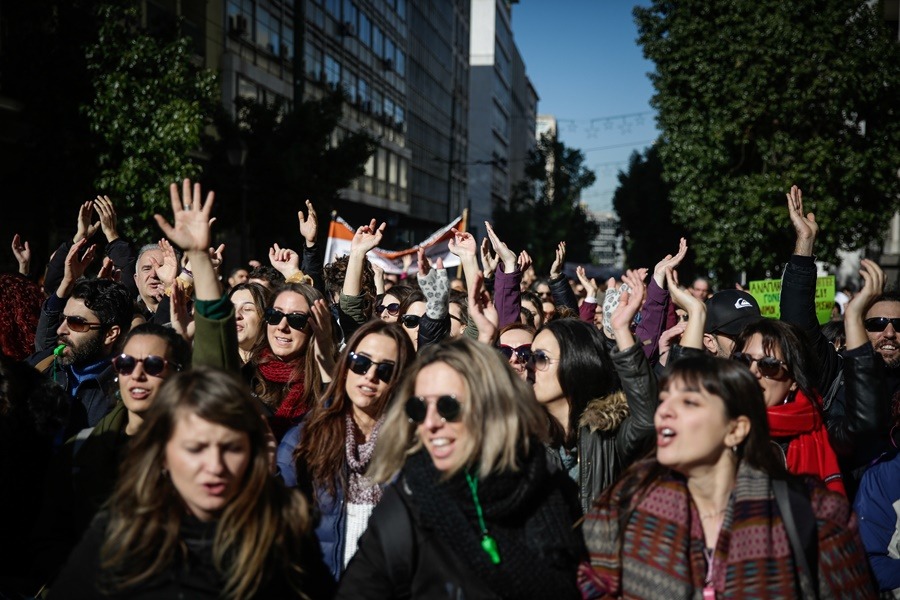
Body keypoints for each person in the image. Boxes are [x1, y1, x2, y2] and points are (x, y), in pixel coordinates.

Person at [582, 354, 875, 598]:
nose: (664, 413)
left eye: (689, 403)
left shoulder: (814, 515)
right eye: (663, 400)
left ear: (736, 429)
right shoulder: (625, 502)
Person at [51, 367, 335, 599]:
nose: (215, 467)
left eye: (232, 448)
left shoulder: (284, 528)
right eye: (195, 448)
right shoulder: (121, 530)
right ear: (163, 454)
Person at [336, 337, 586, 599]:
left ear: (492, 406)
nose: (430, 423)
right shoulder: (406, 504)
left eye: (448, 406)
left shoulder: (549, 485)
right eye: (419, 408)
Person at [30, 323, 191, 588]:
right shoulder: (80, 448)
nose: (137, 374)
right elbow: (49, 538)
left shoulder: (194, 458)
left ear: (178, 375)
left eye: (152, 365)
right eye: (126, 363)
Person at [276, 320, 415, 579]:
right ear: (344, 367)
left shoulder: (413, 446)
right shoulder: (306, 437)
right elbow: (275, 512)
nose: (370, 376)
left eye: (385, 370)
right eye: (360, 363)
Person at [531, 269, 657, 514]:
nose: (528, 365)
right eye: (529, 356)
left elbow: (648, 420)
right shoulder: (523, 435)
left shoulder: (608, 433)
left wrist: (621, 331)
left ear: (576, 363)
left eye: (540, 358)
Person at [732, 318, 845, 495]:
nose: (752, 372)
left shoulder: (821, 431)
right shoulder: (716, 424)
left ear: (793, 381)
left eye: (768, 365)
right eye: (743, 361)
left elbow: (866, 421)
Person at [28, 271, 133, 436]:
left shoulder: (126, 392)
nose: (61, 330)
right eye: (63, 319)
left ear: (110, 334)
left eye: (76, 323)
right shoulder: (41, 365)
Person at [228, 282, 272, 364]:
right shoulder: (215, 363)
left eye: (247, 309)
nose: (236, 315)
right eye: (231, 309)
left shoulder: (278, 367)